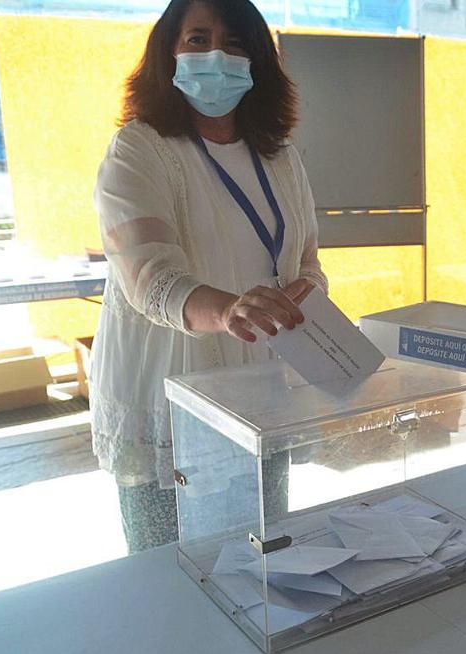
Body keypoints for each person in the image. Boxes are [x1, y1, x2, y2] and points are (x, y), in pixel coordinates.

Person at [90, 0, 327, 553]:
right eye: (198, 38)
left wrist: (294, 298)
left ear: (258, 63)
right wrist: (229, 311)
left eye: (236, 43)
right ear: (167, 52)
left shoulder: (279, 156)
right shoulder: (140, 148)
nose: (217, 54)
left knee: (261, 558)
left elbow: (309, 263)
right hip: (171, 386)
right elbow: (149, 277)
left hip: (263, 382)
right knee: (169, 571)